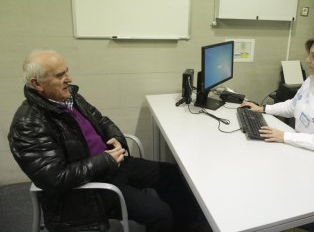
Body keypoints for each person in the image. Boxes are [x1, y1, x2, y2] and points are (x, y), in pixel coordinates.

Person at [8, 51, 210, 232]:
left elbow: (102, 121)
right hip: (87, 190)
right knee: (161, 214)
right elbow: (55, 178)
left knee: (173, 175)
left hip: (111, 165)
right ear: (36, 83)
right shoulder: (28, 124)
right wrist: (105, 160)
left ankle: (187, 225)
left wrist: (118, 139)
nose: (68, 79)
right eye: (60, 75)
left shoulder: (71, 98)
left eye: (66, 72)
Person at [242, 33, 314, 162]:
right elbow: (293, 106)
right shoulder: (313, 79)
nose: (308, 59)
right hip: (308, 149)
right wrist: (263, 108)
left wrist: (284, 136)